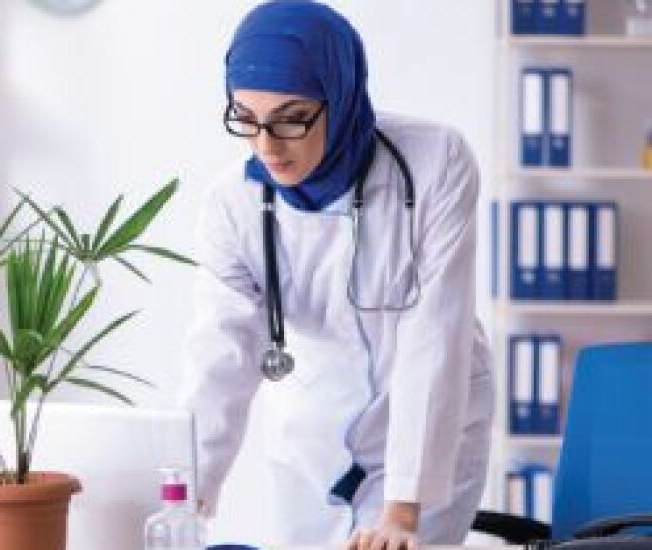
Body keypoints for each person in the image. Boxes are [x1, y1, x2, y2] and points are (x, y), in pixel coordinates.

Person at [179, 1, 495, 549]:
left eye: (292, 117)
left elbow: (435, 335)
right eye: (245, 117)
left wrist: (402, 509)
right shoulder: (233, 204)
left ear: (340, 92)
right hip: (313, 434)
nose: (266, 144)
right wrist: (187, 503)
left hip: (426, 431)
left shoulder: (436, 163)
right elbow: (220, 358)